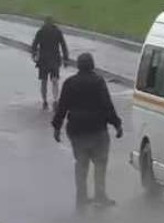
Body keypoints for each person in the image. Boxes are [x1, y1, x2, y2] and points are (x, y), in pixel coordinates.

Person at [52, 53, 123, 209]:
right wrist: (117, 124)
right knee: (100, 163)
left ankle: (82, 197)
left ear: (78, 66)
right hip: (97, 130)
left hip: (77, 131)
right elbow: (107, 106)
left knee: (81, 164)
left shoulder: (70, 83)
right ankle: (100, 195)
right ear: (92, 65)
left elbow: (62, 107)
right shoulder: (98, 82)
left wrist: (57, 127)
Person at [31, 17, 70, 110]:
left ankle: (45, 101)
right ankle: (55, 100)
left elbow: (34, 45)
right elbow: (63, 46)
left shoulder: (40, 32)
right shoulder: (57, 32)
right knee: (55, 80)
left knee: (44, 81)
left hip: (43, 60)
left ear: (45, 22)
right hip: (54, 59)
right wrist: (65, 59)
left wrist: (34, 55)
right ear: (53, 23)